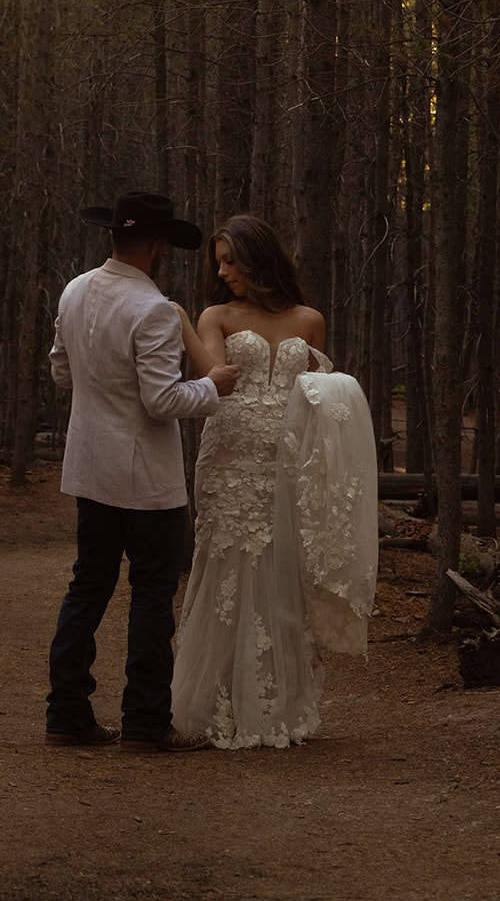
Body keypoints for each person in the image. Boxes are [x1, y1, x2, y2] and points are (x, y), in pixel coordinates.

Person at [170, 213, 378, 749]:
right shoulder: (216, 313)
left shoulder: (310, 319)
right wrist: (186, 326)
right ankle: (216, 700)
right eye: (218, 262)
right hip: (230, 454)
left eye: (230, 261)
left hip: (286, 458)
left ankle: (275, 700)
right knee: (227, 564)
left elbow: (321, 395)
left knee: (283, 566)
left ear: (257, 260)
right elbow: (218, 380)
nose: (222, 271)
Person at [45, 191, 240, 753]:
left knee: (88, 586)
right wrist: (213, 386)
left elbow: (61, 373)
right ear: (156, 245)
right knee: (152, 596)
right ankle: (146, 723)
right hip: (146, 481)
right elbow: (161, 401)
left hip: (89, 468)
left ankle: (67, 713)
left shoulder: (76, 289)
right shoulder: (152, 308)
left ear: (113, 236)